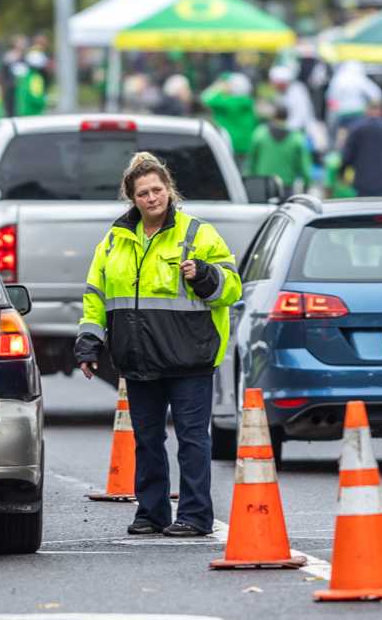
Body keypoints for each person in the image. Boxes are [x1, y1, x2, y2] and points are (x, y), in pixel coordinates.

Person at [75, 153, 242, 537]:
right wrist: (89, 343)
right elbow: (96, 297)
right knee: (147, 440)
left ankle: (195, 515)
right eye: (143, 193)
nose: (152, 198)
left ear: (170, 190)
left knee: (191, 440)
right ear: (131, 198)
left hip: (190, 357)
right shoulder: (115, 241)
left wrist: (204, 275)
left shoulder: (198, 234)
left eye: (158, 190)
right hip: (139, 357)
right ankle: (151, 512)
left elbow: (231, 288)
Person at [340, 99, 382, 197]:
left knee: (364, 210)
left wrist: (342, 173)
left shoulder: (356, 128)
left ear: (366, 111)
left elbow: (347, 156)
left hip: (362, 182)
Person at [244, 105, 312, 193]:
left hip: (263, 187)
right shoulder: (297, 139)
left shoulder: (259, 134)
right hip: (286, 187)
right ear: (288, 116)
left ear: (273, 116)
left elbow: (250, 163)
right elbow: (305, 167)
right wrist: (306, 185)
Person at [200, 73, 257, 160]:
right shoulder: (248, 102)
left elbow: (205, 97)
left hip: (227, 145)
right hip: (246, 146)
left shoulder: (227, 103)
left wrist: (218, 87)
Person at [326, 61, 382, 139]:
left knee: (344, 140)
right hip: (359, 114)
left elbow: (331, 98)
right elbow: (376, 94)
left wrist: (332, 117)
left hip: (342, 115)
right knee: (359, 137)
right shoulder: (360, 78)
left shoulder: (338, 79)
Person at [14, 49, 48, 116]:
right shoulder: (36, 78)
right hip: (33, 114)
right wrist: (45, 101)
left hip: (23, 113)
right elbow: (36, 98)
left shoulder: (25, 77)